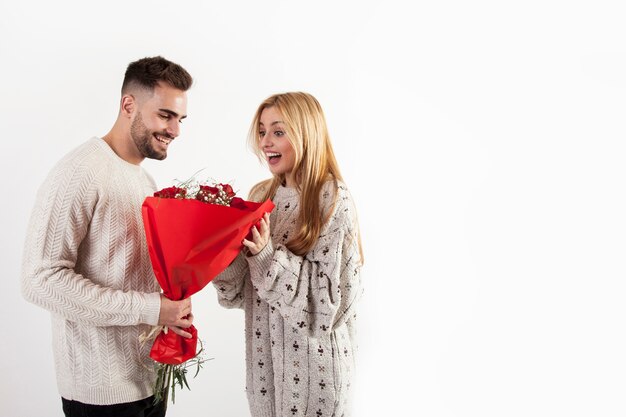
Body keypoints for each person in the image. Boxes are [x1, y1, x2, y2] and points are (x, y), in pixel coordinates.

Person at [21, 56, 194, 417]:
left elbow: (131, 274)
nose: (175, 130)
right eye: (165, 115)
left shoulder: (144, 181)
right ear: (128, 105)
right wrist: (150, 308)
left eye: (180, 119)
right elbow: (39, 280)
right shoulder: (80, 171)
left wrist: (172, 305)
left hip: (148, 380)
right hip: (100, 396)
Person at [212, 92, 364, 417]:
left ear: (306, 134)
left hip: (318, 381)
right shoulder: (259, 196)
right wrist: (214, 252)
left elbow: (324, 307)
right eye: (263, 131)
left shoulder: (333, 198)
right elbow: (241, 294)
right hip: (265, 378)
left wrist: (266, 255)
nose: (266, 141)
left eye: (278, 131)